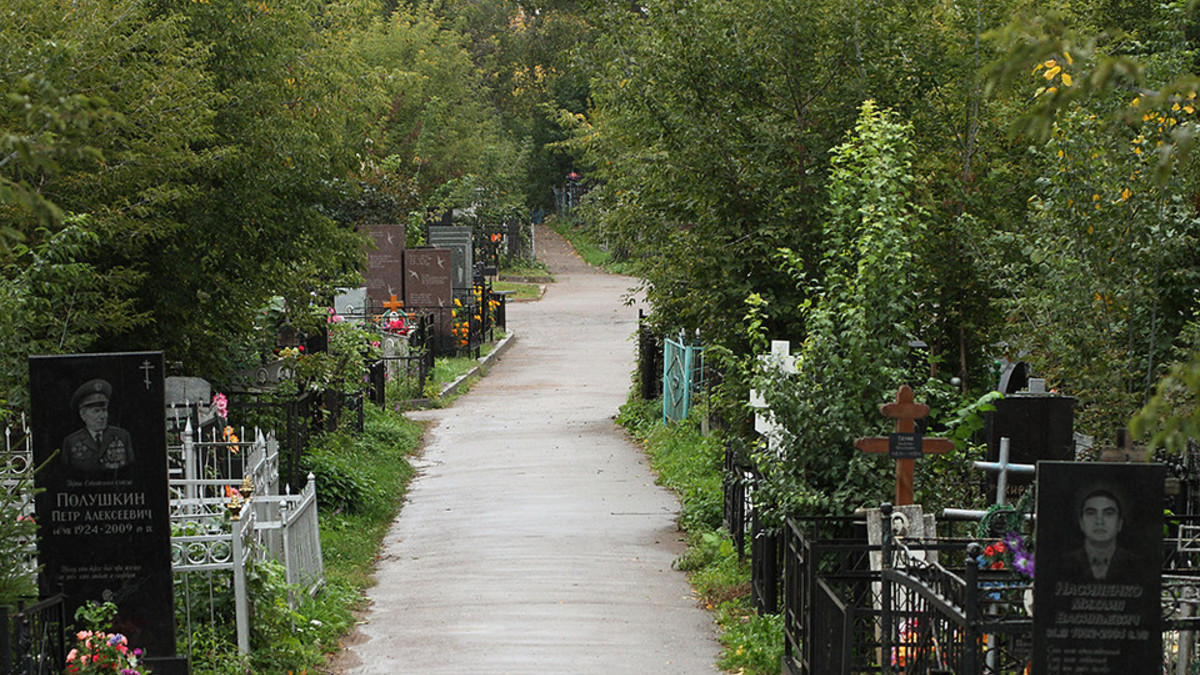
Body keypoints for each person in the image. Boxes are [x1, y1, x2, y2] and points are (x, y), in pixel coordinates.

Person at [1061, 488, 1139, 583]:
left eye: (1108, 513)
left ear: (1120, 523)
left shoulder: (1138, 566)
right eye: (1091, 513)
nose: (1099, 521)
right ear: (1081, 523)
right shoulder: (1061, 564)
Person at [61, 378, 134, 472]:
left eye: (104, 410)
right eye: (96, 411)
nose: (102, 416)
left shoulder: (123, 437)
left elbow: (132, 470)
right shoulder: (71, 442)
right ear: (83, 414)